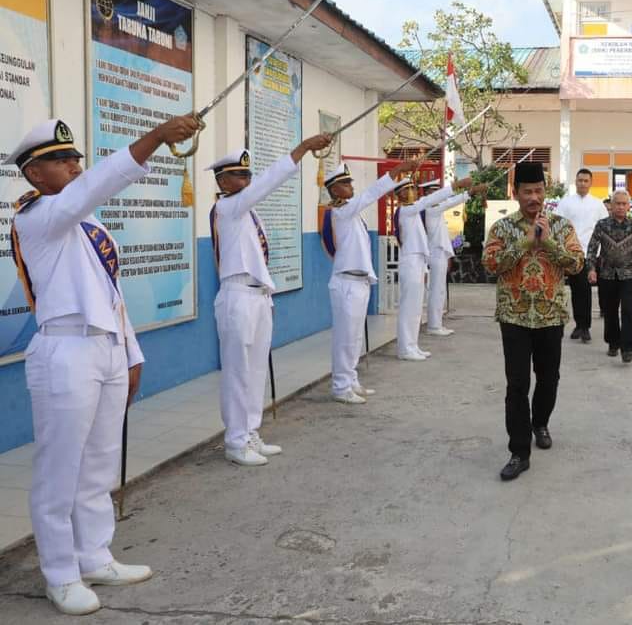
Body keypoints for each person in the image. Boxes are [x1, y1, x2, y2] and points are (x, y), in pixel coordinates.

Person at [7, 114, 200, 615]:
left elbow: (109, 294)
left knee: (97, 463)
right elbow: (91, 189)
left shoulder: (84, 222)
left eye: (75, 157)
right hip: (64, 350)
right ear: (33, 174)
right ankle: (59, 573)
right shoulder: (38, 218)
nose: (74, 164)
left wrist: (129, 354)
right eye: (61, 159)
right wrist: (156, 138)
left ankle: (93, 555)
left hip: (106, 348)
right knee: (59, 470)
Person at [210, 134, 334, 467]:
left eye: (248, 174)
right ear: (222, 180)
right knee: (237, 373)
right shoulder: (227, 207)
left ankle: (250, 432)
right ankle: (235, 441)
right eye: (239, 175)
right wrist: (302, 149)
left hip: (257, 297)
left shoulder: (247, 213)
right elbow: (267, 183)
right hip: (237, 297)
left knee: (254, 372)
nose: (246, 180)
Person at [483, 162, 584, 481]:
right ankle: (518, 451)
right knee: (517, 385)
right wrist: (525, 242)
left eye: (538, 191)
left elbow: (577, 264)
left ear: (545, 192)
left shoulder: (562, 226)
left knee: (548, 378)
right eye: (527, 191)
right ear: (515, 194)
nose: (533, 197)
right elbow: (491, 264)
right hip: (513, 315)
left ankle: (540, 422)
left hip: (550, 314)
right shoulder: (501, 228)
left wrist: (548, 241)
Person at [319, 160, 418, 404]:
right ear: (333, 190)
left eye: (349, 182)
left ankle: (350, 380)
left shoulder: (353, 213)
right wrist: (394, 173)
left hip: (358, 281)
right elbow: (370, 194)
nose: (350, 186)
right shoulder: (341, 211)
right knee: (345, 338)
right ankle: (340, 387)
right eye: (344, 183)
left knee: (354, 338)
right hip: (346, 282)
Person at [393, 174, 479, 361]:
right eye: (410, 189)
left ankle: (412, 345)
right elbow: (432, 200)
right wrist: (458, 185)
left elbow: (433, 201)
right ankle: (405, 348)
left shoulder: (413, 211)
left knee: (416, 307)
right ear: (401, 194)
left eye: (414, 189)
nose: (414, 192)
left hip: (419, 261)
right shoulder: (405, 211)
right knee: (409, 307)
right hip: (410, 261)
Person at [586, 190, 632, 363]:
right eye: (618, 203)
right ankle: (613, 343)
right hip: (607, 275)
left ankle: (628, 348)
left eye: (624, 204)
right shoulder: (602, 225)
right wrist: (591, 269)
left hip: (630, 275)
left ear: (629, 206)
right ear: (611, 204)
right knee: (609, 311)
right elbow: (592, 248)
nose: (621, 207)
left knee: (628, 310)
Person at [555, 169, 607, 343]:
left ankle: (585, 327)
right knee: (577, 290)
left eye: (586, 181)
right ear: (575, 182)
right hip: (571, 253)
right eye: (580, 180)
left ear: (591, 183)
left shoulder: (598, 204)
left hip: (590, 254)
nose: (582, 183)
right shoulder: (565, 203)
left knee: (585, 290)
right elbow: (558, 226)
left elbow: (604, 228)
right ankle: (579, 324)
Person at [421, 179, 470, 336]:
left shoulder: (436, 209)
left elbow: (448, 202)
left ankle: (437, 323)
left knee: (440, 289)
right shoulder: (431, 208)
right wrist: (469, 193)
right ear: (428, 194)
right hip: (435, 253)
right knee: (436, 290)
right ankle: (434, 326)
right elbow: (450, 202)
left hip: (439, 252)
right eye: (434, 192)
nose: (438, 195)